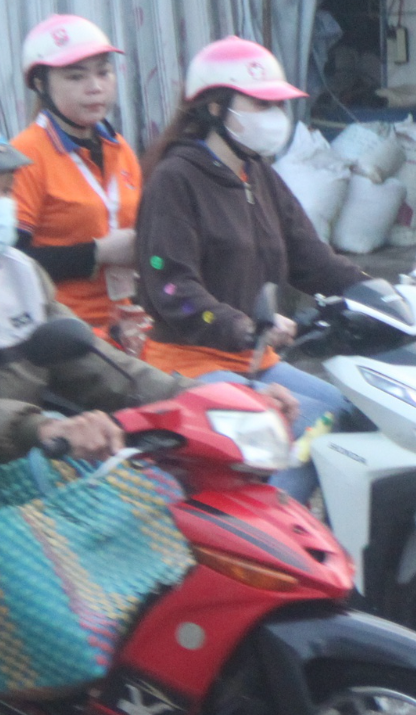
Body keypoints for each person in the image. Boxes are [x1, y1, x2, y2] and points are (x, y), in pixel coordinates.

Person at [0, 118, 173, 715]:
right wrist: (37, 427)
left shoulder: (22, 274)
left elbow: (96, 369)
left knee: (147, 520)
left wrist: (199, 400)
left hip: (16, 474)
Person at [134, 37, 368, 502]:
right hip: (188, 365)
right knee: (296, 427)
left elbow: (312, 259)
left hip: (254, 361)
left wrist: (383, 293)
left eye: (278, 105)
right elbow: (173, 288)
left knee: (347, 415)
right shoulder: (175, 180)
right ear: (216, 108)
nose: (275, 117)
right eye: (261, 104)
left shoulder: (257, 174)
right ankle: (270, 550)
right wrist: (244, 326)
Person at [10, 15, 145, 352]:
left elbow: (151, 250)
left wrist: (151, 264)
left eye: (103, 71)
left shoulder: (120, 148)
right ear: (41, 85)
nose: (95, 87)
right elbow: (12, 264)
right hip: (63, 334)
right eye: (75, 76)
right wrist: (97, 253)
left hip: (127, 330)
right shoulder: (25, 155)